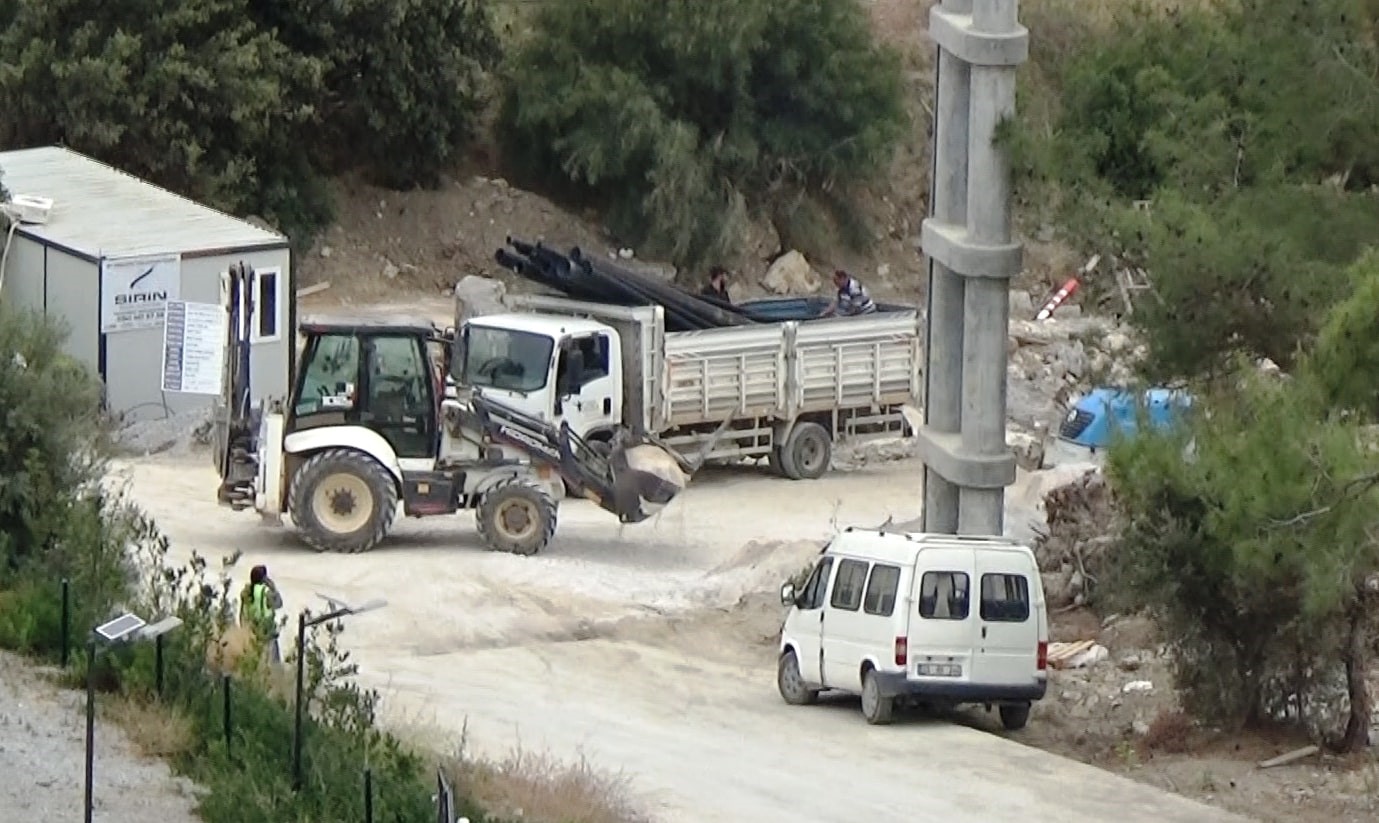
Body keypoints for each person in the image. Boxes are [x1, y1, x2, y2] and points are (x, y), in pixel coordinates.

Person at [239, 564, 284, 663]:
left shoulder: (246, 591)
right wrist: (273, 588)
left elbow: (242, 612)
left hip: (251, 629)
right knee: (272, 660)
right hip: (266, 630)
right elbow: (279, 603)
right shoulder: (266, 592)